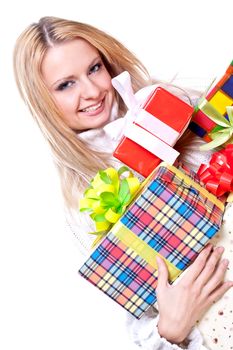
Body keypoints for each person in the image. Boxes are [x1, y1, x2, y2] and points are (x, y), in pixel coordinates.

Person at [13, 16, 233, 350]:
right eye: (65, 85)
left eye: (94, 69)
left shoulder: (177, 106)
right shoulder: (79, 205)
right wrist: (171, 328)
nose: (91, 91)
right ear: (43, 101)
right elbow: (134, 322)